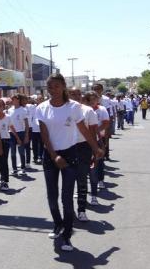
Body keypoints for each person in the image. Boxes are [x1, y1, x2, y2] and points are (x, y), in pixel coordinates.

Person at [36, 75, 104, 252]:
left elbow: (84, 130)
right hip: (50, 154)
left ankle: (67, 234)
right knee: (52, 196)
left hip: (70, 154)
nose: (53, 90)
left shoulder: (74, 107)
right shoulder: (42, 108)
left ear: (63, 87)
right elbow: (44, 135)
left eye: (56, 86)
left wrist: (96, 148)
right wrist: (53, 156)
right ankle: (57, 224)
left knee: (67, 197)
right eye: (49, 87)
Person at [68, 88, 99, 222]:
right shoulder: (64, 110)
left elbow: (93, 133)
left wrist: (94, 151)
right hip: (67, 148)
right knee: (67, 183)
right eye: (72, 94)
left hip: (84, 148)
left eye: (78, 94)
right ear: (68, 95)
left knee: (81, 180)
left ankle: (81, 210)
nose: (76, 96)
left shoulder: (88, 111)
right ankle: (68, 211)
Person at [8, 94, 30, 176]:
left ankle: (23, 168)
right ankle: (14, 169)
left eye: (16, 99)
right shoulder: (10, 110)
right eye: (13, 99)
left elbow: (26, 124)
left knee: (21, 151)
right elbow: (9, 123)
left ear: (18, 100)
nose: (14, 100)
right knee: (13, 152)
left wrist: (27, 135)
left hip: (21, 132)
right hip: (11, 133)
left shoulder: (23, 110)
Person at [0, 98, 11, 191]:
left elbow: (11, 127)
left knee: (4, 161)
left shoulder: (8, 117)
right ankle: (2, 177)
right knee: (0, 161)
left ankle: (5, 181)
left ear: (4, 107)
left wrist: (18, 138)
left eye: (1, 105)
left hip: (5, 140)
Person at [30, 96, 43, 165]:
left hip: (41, 129)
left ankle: (40, 157)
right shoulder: (33, 107)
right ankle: (35, 157)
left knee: (41, 144)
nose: (40, 100)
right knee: (34, 144)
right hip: (34, 128)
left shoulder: (44, 107)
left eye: (41, 99)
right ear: (36, 100)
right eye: (38, 99)